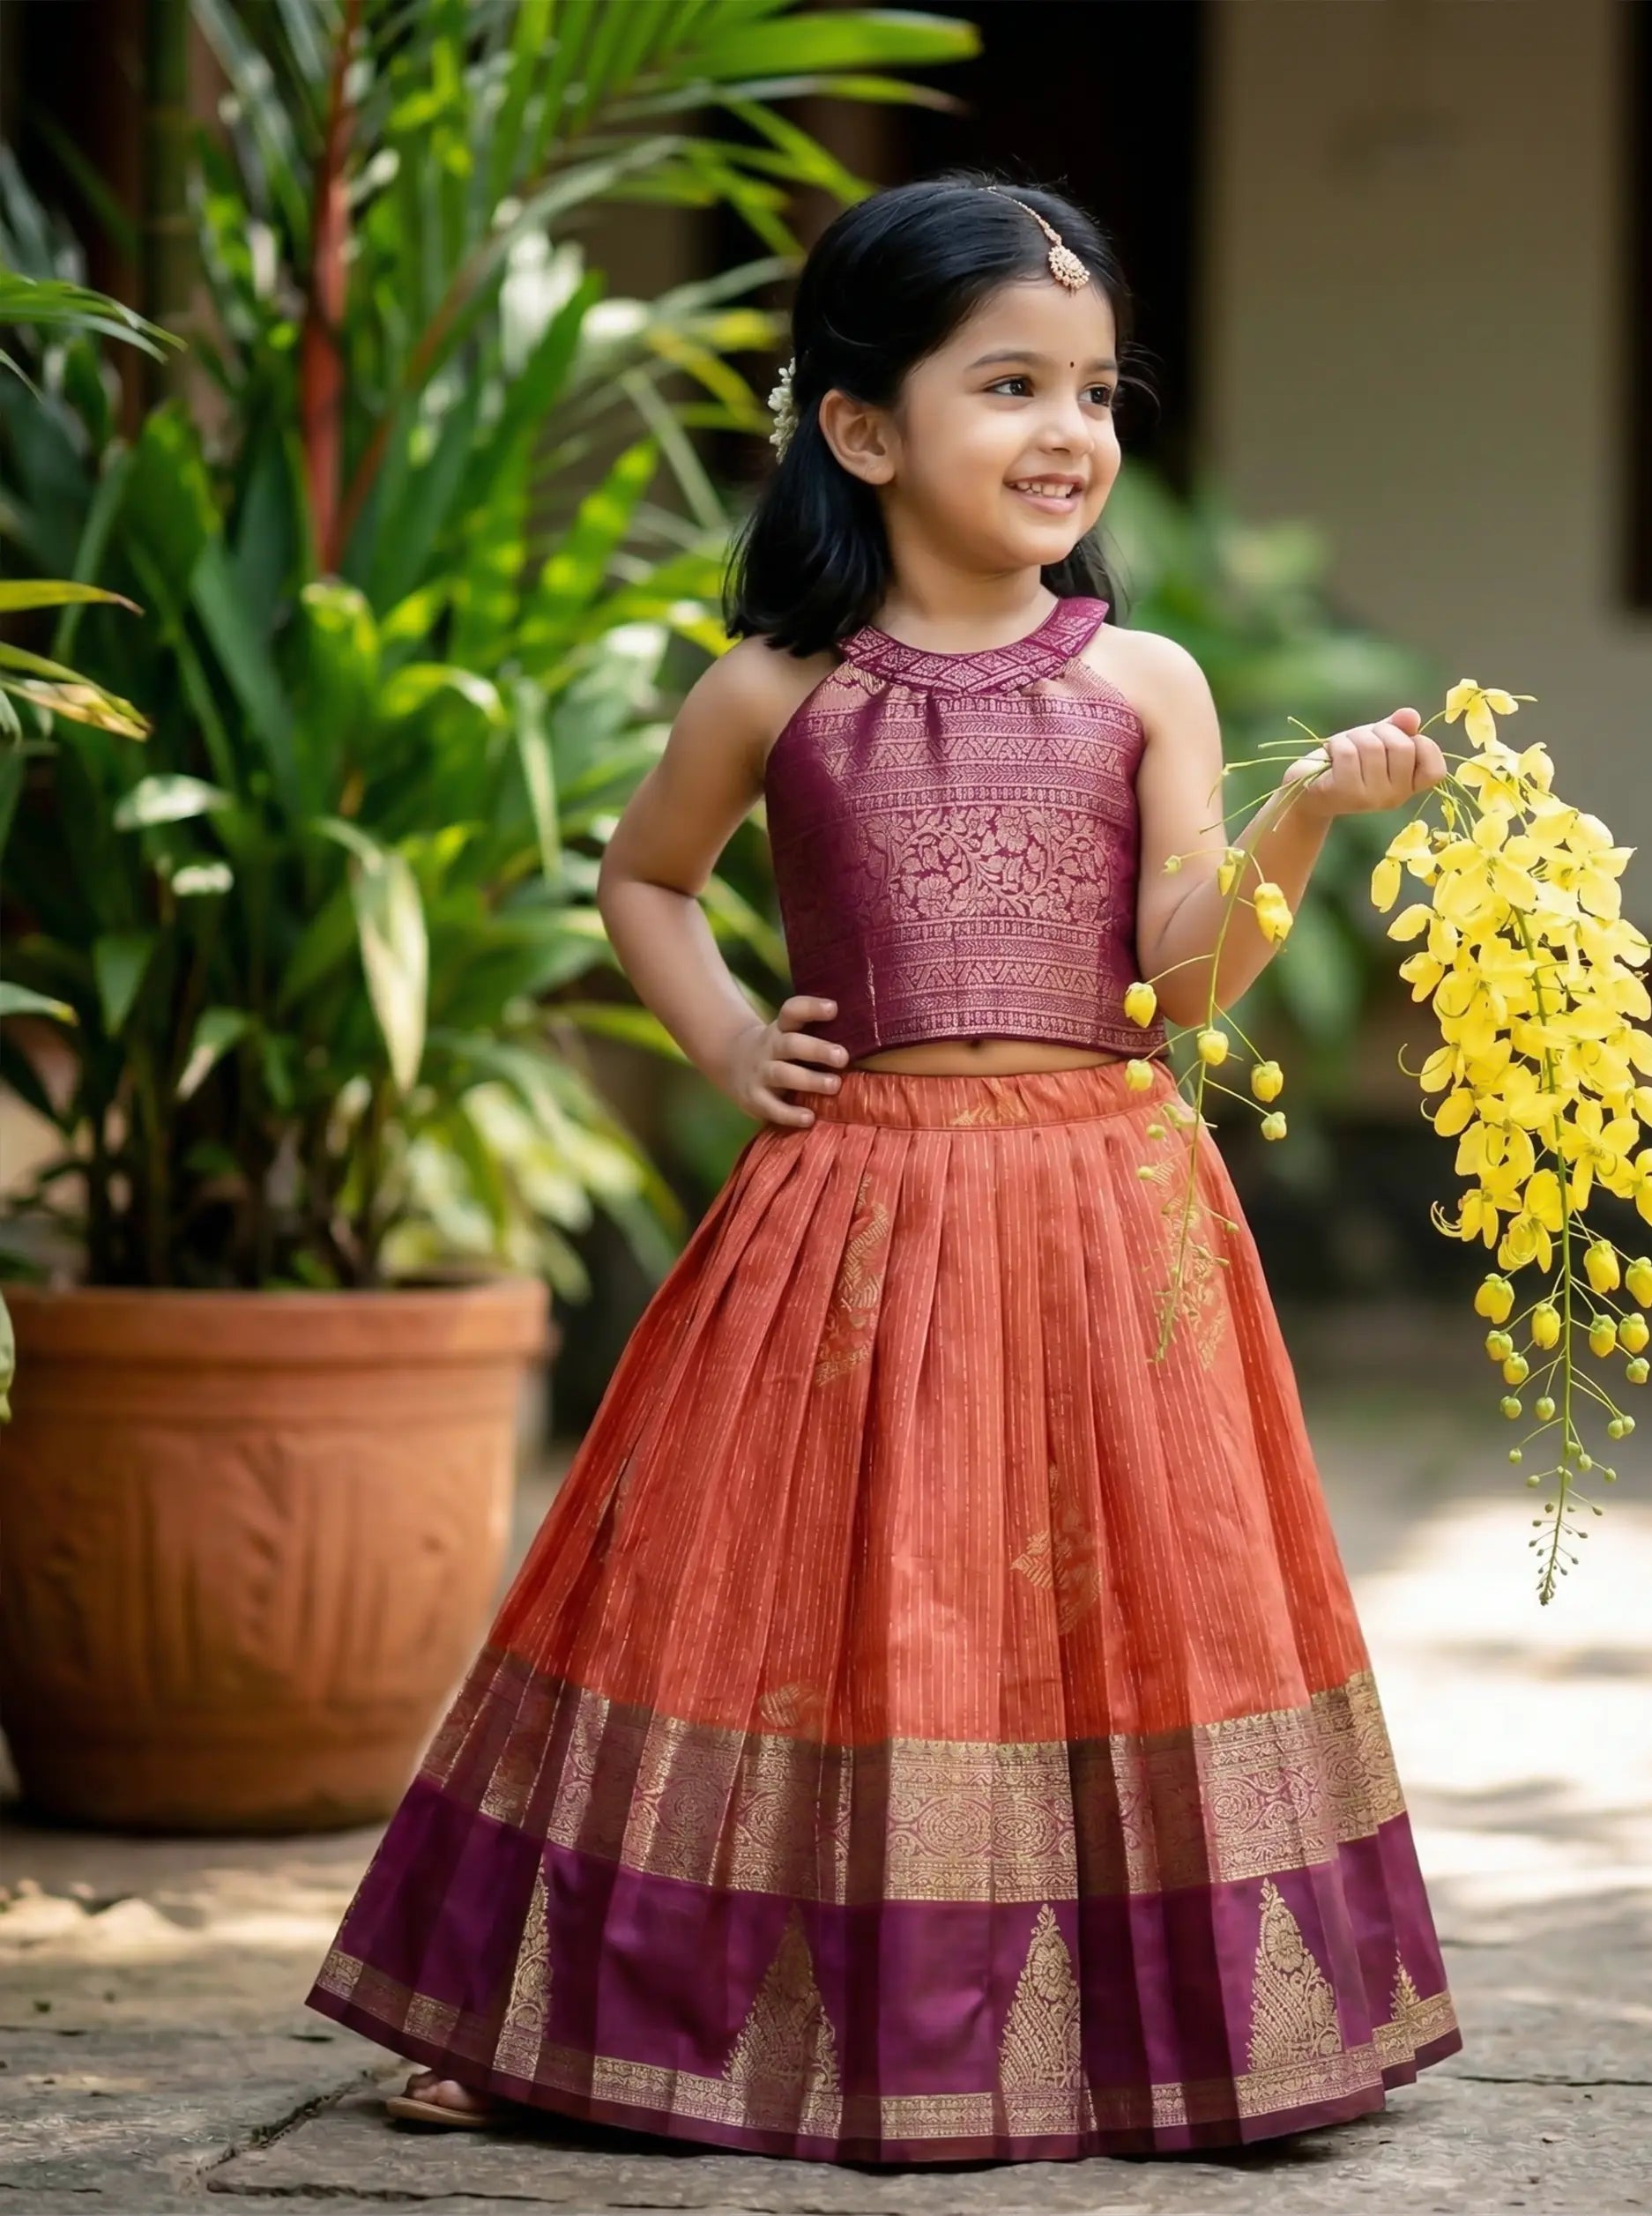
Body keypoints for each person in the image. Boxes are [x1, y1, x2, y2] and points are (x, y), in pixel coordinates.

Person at [305, 170, 1462, 2164]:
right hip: (850, 1206)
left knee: (1107, 1607)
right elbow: (642, 881)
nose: (1068, 432)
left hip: (1106, 1206)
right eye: (1007, 383)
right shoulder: (780, 689)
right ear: (860, 427)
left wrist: (1286, 823)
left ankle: (1140, 2033)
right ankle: (617, 2011)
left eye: (1095, 389)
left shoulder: (1141, 685)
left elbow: (1183, 988)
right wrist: (734, 1035)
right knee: (788, 1600)